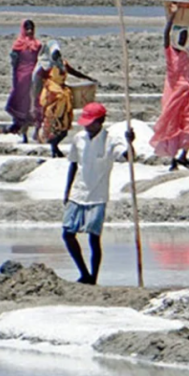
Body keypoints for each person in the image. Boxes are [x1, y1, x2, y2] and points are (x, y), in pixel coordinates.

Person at [62, 102, 135, 285]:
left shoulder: (112, 140)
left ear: (100, 121)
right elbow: (73, 164)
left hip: (98, 195)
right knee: (68, 233)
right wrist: (67, 190)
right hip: (78, 192)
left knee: (94, 238)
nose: (86, 126)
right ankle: (84, 273)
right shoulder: (79, 138)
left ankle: (93, 277)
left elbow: (127, 157)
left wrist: (130, 143)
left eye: (90, 122)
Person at [149, 2, 189, 171]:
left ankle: (183, 155)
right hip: (174, 93)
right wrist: (172, 16)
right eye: (180, 36)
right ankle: (173, 159)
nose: (183, 39)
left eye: (185, 36)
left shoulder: (188, 54)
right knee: (173, 125)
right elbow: (165, 34)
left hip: (188, 93)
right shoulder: (170, 52)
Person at [32, 40, 98, 157]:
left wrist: (88, 78)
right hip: (53, 97)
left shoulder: (63, 64)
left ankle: (54, 146)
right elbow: (36, 81)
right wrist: (36, 97)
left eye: (58, 54)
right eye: (55, 54)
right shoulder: (45, 68)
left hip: (63, 96)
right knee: (54, 124)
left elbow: (74, 72)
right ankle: (54, 148)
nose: (57, 56)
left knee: (64, 125)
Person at [6, 19, 42, 143]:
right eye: (27, 28)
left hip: (35, 77)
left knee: (36, 103)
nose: (29, 31)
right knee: (22, 103)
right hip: (22, 77)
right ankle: (21, 130)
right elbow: (14, 63)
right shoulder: (18, 45)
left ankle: (36, 132)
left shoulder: (38, 45)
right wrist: (16, 80)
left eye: (31, 28)